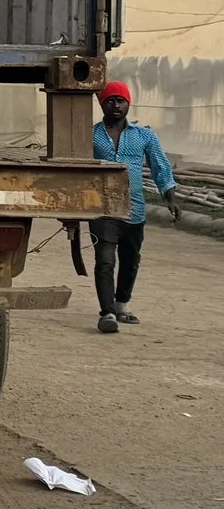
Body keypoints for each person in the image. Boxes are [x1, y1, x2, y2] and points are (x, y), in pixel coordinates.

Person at [89, 82, 178, 333]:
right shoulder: (90, 135)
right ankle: (106, 313)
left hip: (134, 209)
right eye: (110, 100)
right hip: (101, 207)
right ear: (101, 103)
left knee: (130, 260)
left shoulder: (144, 136)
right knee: (105, 261)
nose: (115, 105)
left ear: (128, 103)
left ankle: (121, 305)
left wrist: (169, 197)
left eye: (121, 100)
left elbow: (160, 166)